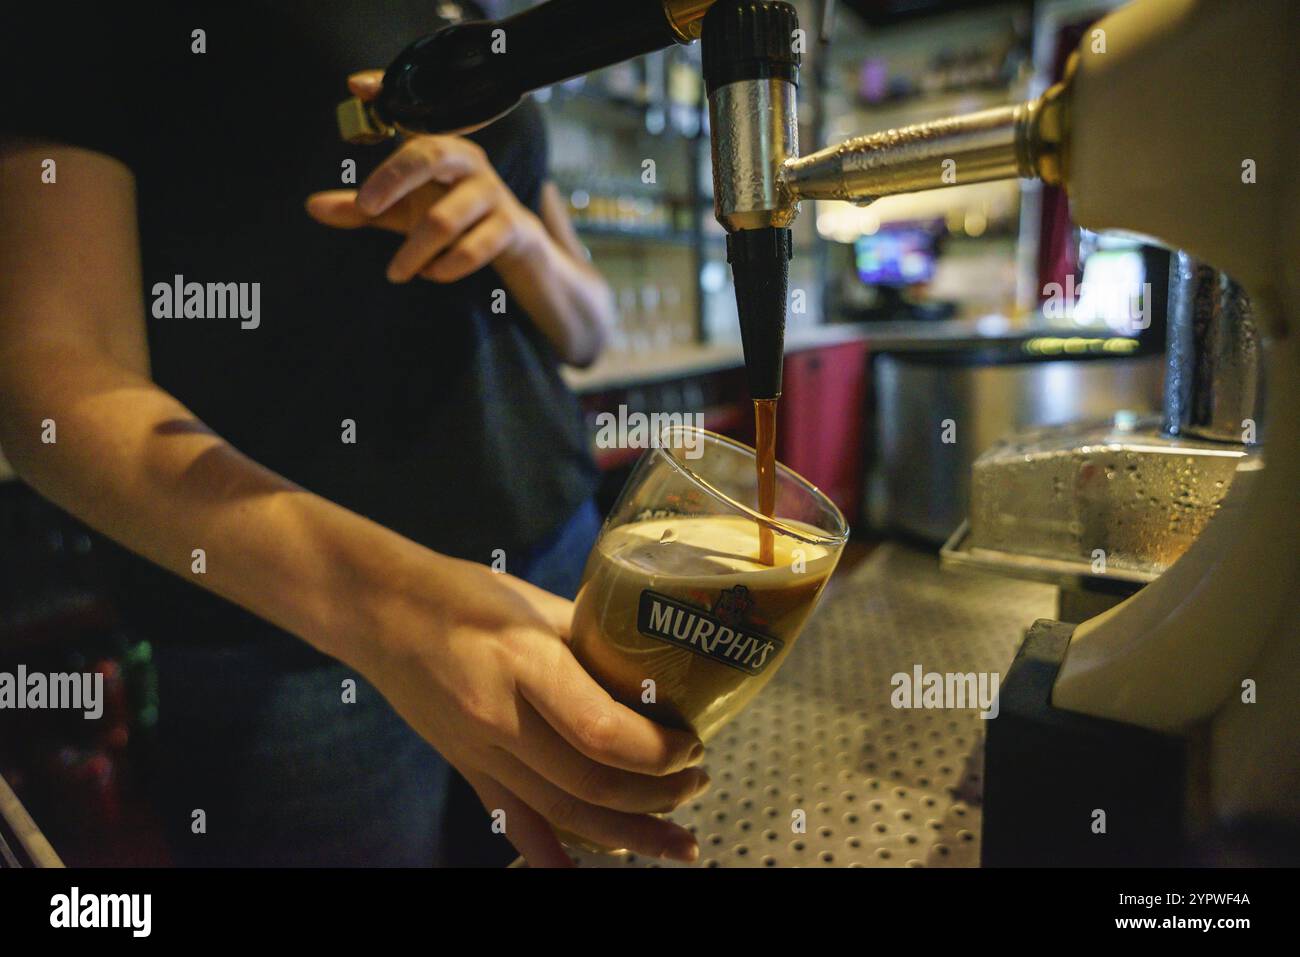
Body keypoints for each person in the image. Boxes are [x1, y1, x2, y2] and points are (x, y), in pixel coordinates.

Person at [0, 3, 707, 867]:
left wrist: (514, 234)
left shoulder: (473, 18)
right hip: (294, 639)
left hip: (552, 546)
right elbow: (48, 371)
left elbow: (589, 329)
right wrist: (397, 603)